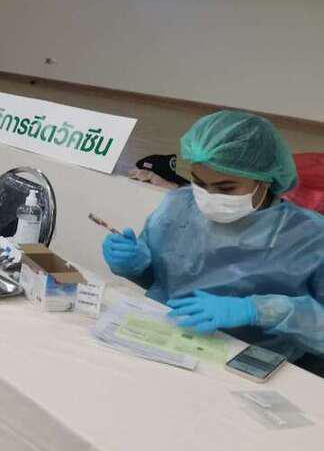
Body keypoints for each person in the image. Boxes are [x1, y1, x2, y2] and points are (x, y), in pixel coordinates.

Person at [102, 110, 324, 371]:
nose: (208, 196)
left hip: (249, 362)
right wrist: (135, 265)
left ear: (265, 180)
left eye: (226, 188)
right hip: (167, 341)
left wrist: (258, 310)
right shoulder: (179, 205)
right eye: (199, 182)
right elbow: (164, 283)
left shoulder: (308, 236)